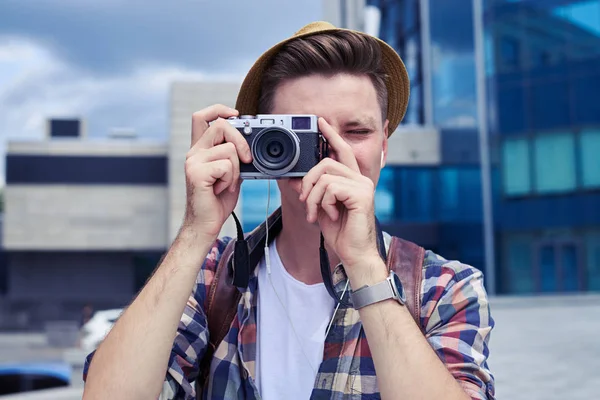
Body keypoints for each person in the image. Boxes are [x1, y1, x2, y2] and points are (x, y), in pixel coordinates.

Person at [81, 21, 495, 400]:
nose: (329, 151)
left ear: (384, 145)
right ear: (259, 147)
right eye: (302, 133)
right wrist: (195, 231)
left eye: (356, 131)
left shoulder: (444, 287)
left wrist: (365, 264)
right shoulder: (210, 277)